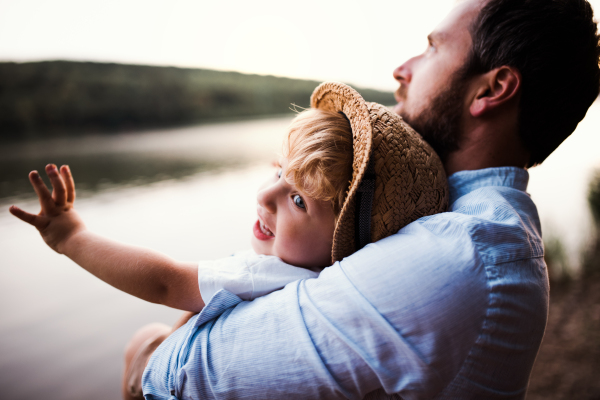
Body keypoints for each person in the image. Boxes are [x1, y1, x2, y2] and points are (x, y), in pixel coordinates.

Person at [107, 0, 597, 398]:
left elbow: (182, 375)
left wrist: (144, 348)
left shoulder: (456, 257)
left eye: (431, 49)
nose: (401, 70)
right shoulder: (457, 219)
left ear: (492, 89)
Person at [8, 83, 448, 399]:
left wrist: (71, 235)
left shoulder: (267, 272)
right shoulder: (341, 287)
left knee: (145, 337)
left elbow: (163, 282)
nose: (264, 195)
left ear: (343, 241)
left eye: (297, 200)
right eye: (278, 172)